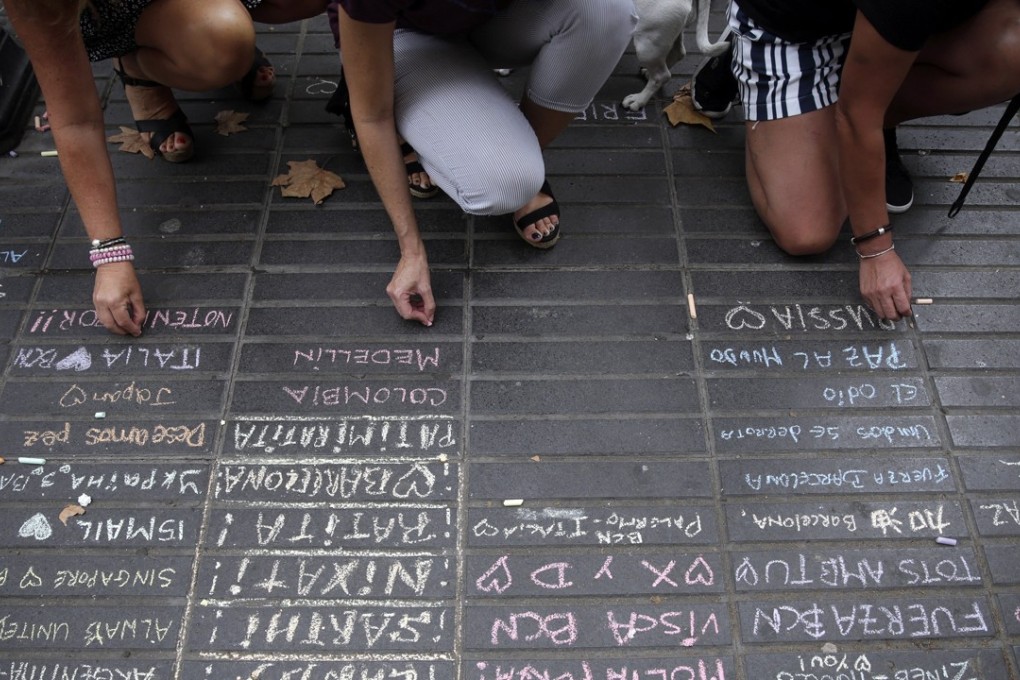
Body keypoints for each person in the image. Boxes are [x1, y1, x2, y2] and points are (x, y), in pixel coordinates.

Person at [5, 0, 327, 336]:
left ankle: (212, 46)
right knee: (223, 41)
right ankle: (141, 64)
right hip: (122, 14)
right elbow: (75, 121)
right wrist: (110, 254)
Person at [689, 0, 1020, 321]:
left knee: (1011, 52)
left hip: (884, 27)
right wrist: (876, 251)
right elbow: (857, 115)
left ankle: (870, 100)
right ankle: (743, 56)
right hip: (795, 30)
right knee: (807, 232)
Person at [327, 0, 635, 326]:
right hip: (398, 34)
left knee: (606, 10)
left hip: (489, 19)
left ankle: (511, 139)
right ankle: (405, 111)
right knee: (503, 183)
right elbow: (372, 117)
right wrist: (411, 251)